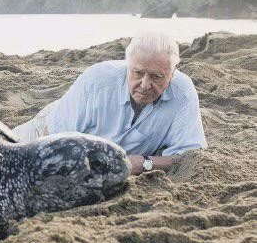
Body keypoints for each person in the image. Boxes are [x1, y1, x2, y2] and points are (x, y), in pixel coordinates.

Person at [13, 31, 207, 174]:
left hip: (106, 156)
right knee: (3, 152)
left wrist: (143, 162)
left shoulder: (182, 93)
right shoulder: (97, 81)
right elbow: (52, 139)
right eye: (138, 73)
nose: (145, 85)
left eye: (156, 77)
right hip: (50, 126)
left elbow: (190, 157)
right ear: (128, 65)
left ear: (173, 73)